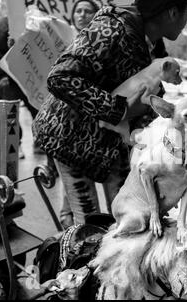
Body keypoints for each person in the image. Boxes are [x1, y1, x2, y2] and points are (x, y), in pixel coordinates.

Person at [32, 0, 187, 226]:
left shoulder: (153, 44)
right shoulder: (111, 29)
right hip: (71, 141)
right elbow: (60, 77)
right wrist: (120, 109)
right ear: (173, 12)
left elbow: (146, 96)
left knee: (128, 214)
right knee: (90, 226)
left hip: (110, 145)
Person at [57, 0, 100, 228]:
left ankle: (75, 223)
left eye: (88, 11)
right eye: (78, 11)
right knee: (72, 177)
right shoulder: (63, 40)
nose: (82, 15)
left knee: (81, 177)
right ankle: (68, 222)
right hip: (65, 122)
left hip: (92, 125)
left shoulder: (102, 44)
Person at [0, 16, 41, 158]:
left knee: (39, 111)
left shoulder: (32, 19)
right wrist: (0, 76)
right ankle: (15, 146)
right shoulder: (2, 23)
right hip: (10, 79)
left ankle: (40, 141)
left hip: (31, 77)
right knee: (11, 116)